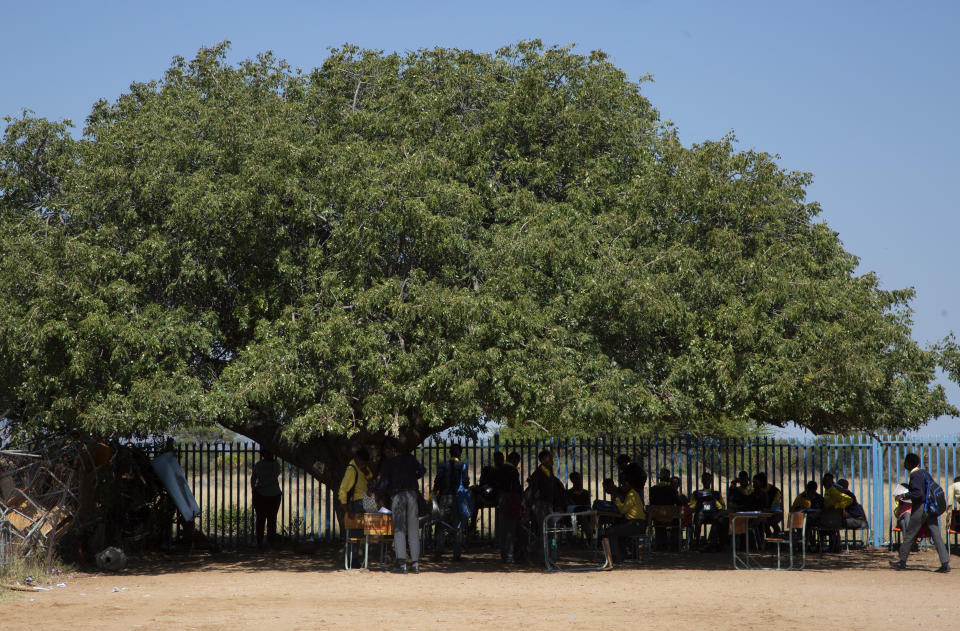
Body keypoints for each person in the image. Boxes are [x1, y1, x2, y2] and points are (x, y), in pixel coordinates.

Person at [890, 453, 950, 573]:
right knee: (936, 534)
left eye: (906, 462)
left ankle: (902, 562)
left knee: (909, 534)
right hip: (931, 508)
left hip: (921, 508)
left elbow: (918, 494)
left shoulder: (914, 475)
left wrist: (904, 495)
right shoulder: (924, 473)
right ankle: (945, 563)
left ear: (908, 463)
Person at [376, 438, 427, 574]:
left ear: (392, 449)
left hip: (398, 496)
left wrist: (374, 490)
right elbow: (422, 470)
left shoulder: (389, 463)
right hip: (412, 495)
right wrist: (411, 477)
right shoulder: (410, 458)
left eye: (386, 450)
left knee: (399, 529)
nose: (385, 452)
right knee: (413, 529)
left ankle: (402, 564)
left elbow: (383, 484)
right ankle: (415, 564)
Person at [432, 443, 470, 561]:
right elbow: (466, 482)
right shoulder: (462, 466)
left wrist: (434, 495)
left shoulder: (443, 465)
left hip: (443, 497)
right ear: (460, 453)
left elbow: (437, 481)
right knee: (457, 525)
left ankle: (438, 553)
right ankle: (456, 555)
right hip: (456, 498)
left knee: (441, 525)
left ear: (450, 453)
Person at [337, 448, 374, 566]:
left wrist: (366, 472)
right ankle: (352, 560)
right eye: (362, 462)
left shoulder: (363, 467)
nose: (364, 465)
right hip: (357, 503)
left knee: (366, 532)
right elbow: (343, 490)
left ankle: (358, 559)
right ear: (357, 459)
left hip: (366, 500)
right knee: (355, 534)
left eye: (366, 463)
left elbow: (370, 478)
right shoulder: (351, 469)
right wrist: (347, 510)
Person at [526, 450, 564, 560]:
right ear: (542, 460)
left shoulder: (549, 472)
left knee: (549, 530)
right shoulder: (538, 474)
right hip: (540, 505)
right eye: (549, 458)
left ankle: (547, 554)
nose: (552, 460)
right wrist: (529, 506)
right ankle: (544, 556)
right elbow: (533, 492)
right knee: (546, 530)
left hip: (548, 504)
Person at [602, 477, 647, 562]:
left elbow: (622, 510)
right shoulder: (631, 494)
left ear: (629, 485)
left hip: (636, 524)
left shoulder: (631, 495)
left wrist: (617, 499)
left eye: (624, 485)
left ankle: (616, 556)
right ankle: (622, 554)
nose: (622, 487)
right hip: (635, 523)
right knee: (617, 530)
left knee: (611, 531)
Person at [250, 448, 283, 549]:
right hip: (265, 495)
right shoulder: (259, 464)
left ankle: (270, 541)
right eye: (267, 452)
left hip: (271, 495)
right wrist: (254, 487)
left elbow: (273, 477)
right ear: (263, 454)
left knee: (271, 519)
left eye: (271, 452)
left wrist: (259, 487)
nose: (270, 454)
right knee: (261, 519)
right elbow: (253, 477)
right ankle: (260, 541)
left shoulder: (275, 464)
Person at [495, 451, 523, 563]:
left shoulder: (500, 469)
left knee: (503, 528)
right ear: (515, 460)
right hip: (511, 500)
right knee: (511, 529)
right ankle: (510, 556)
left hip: (501, 499)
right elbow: (515, 487)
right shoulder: (512, 471)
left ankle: (504, 554)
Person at [689, 472, 728, 551]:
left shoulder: (716, 493)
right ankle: (696, 542)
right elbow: (691, 507)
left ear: (711, 481)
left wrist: (714, 500)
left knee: (719, 520)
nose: (706, 481)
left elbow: (722, 507)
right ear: (702, 481)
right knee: (698, 518)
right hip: (701, 514)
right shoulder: (696, 493)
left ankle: (714, 542)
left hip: (713, 514)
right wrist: (699, 500)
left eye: (708, 479)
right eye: (704, 479)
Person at [649, 468, 683, 551]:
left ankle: (660, 546)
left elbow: (652, 502)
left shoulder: (652, 489)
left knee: (658, 523)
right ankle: (674, 546)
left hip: (657, 517)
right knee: (676, 521)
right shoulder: (671, 489)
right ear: (668, 479)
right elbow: (679, 503)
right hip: (670, 518)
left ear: (659, 478)